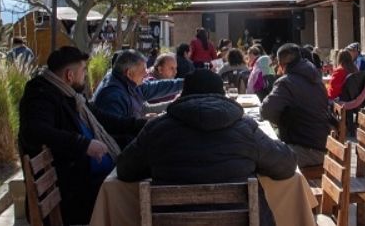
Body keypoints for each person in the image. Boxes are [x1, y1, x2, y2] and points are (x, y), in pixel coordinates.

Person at [116, 69, 295, 226]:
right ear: (221, 94)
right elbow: (286, 165)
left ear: (183, 93)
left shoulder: (157, 129)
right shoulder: (245, 128)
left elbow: (125, 169)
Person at [18, 46, 146, 225]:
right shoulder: (41, 96)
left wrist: (143, 125)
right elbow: (34, 132)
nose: (85, 75)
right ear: (70, 75)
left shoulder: (71, 96)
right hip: (74, 192)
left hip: (88, 179)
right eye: (83, 70)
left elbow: (102, 118)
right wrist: (83, 144)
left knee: (140, 176)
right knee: (139, 195)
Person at [261, 43, 332, 167]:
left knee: (261, 159)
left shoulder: (286, 82)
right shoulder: (316, 77)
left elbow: (266, 111)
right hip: (321, 144)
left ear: (281, 64)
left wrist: (281, 120)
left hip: (305, 149)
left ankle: (290, 187)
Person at [93, 49, 183, 119]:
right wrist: (142, 123)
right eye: (143, 70)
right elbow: (117, 132)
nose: (146, 73)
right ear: (129, 73)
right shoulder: (113, 96)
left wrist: (185, 83)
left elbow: (156, 88)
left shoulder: (130, 82)